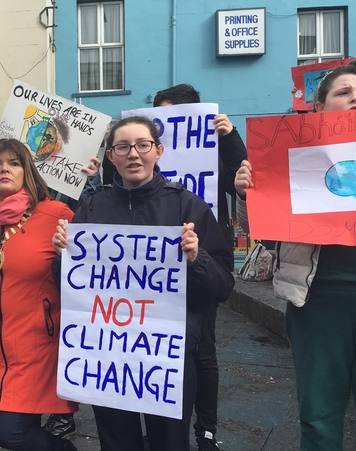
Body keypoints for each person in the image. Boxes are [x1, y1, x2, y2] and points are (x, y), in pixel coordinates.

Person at [53, 116, 234, 451]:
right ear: (111, 157)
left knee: (169, 443)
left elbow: (222, 286)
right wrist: (62, 256)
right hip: (107, 356)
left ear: (158, 150)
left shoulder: (188, 206)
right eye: (122, 147)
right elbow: (68, 285)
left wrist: (197, 260)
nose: (133, 154)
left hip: (169, 358)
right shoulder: (91, 208)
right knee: (117, 442)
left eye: (142, 145)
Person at [234, 64, 356, 451]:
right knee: (318, 419)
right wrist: (245, 194)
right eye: (344, 91)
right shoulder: (288, 155)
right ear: (319, 108)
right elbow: (265, 232)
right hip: (316, 304)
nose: (355, 97)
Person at [153, 83, 247, 451]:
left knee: (203, 349)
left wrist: (229, 136)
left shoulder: (213, 153)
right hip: (157, 260)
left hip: (201, 255)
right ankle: (164, 422)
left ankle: (205, 429)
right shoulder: (149, 155)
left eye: (170, 115)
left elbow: (241, 179)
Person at [0, 138, 78, 451]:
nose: (5, 168)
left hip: (39, 346)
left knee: (9, 432)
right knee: (22, 431)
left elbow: (88, 268)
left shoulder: (56, 214)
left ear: (27, 170)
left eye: (14, 162)